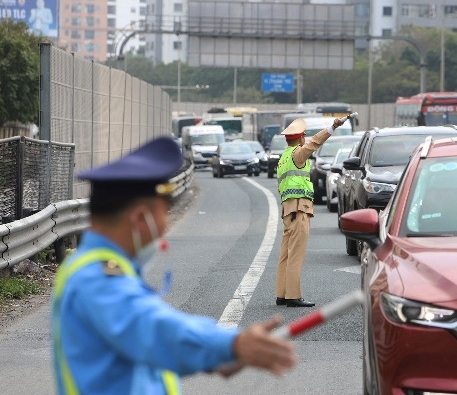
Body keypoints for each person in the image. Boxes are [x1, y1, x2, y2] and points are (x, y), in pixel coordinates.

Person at [51, 137, 296, 394]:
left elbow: (143, 347)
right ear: (139, 218)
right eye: (163, 212)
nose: (164, 225)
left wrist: (217, 357)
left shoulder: (100, 270)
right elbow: (154, 329)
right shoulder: (96, 278)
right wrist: (230, 345)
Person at [275, 117, 344, 307]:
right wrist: (332, 127)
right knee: (295, 254)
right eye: (304, 137)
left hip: (288, 209)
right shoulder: (298, 154)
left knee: (285, 255)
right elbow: (315, 143)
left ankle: (282, 293)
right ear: (300, 139)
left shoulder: (283, 158)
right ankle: (293, 296)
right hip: (299, 208)